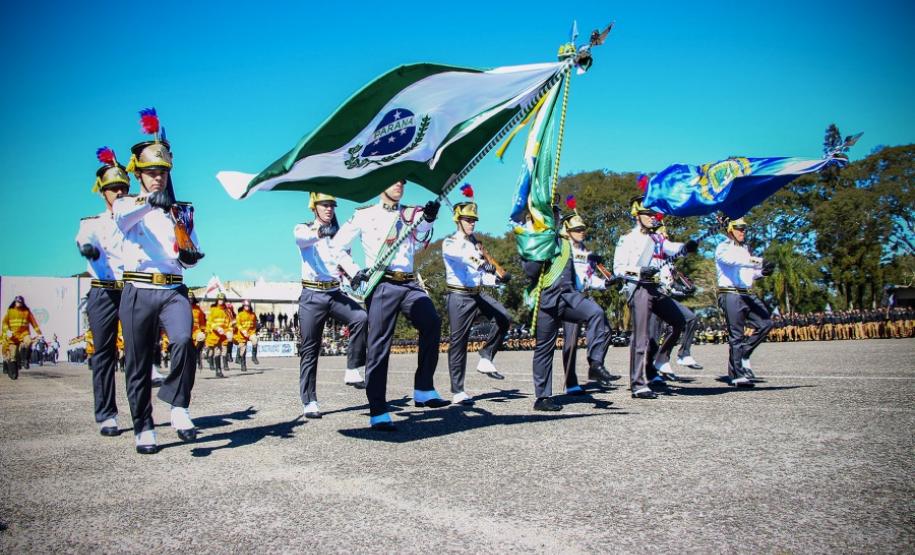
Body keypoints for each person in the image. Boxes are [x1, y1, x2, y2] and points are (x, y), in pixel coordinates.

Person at [114, 107, 204, 454]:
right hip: (138, 288)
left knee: (183, 340)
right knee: (137, 364)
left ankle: (179, 405)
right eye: (151, 173)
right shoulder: (126, 205)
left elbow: (188, 252)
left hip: (172, 289)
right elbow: (125, 220)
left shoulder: (181, 211)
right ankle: (143, 425)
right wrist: (153, 202)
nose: (158, 178)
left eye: (162, 173)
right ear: (139, 174)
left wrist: (190, 255)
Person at [333, 180, 445, 430]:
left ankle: (424, 388)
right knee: (379, 345)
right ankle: (378, 409)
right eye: (394, 181)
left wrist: (428, 219)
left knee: (432, 322)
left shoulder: (410, 214)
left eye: (403, 182)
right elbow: (337, 247)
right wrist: (353, 271)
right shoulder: (364, 215)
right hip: (382, 283)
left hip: (409, 283)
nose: (399, 185)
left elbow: (418, 242)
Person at [521, 205, 616, 412]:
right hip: (547, 298)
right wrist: (541, 251)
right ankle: (542, 397)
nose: (554, 218)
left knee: (596, 313)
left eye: (556, 214)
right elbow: (529, 271)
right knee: (544, 349)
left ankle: (595, 363)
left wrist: (599, 274)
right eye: (551, 215)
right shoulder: (534, 240)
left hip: (570, 295)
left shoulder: (566, 243)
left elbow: (580, 272)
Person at [613, 195, 699, 399]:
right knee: (641, 337)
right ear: (637, 215)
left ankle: (661, 359)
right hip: (640, 289)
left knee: (683, 319)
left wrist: (685, 248)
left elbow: (671, 248)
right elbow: (618, 269)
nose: (653, 218)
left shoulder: (657, 238)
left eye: (654, 214)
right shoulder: (627, 239)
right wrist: (640, 272)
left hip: (657, 289)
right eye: (649, 214)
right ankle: (638, 383)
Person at [293, 192, 368, 419]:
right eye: (325, 205)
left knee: (361, 318)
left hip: (334, 293)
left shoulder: (338, 235)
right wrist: (321, 232)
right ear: (314, 207)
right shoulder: (303, 228)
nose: (329, 209)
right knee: (310, 349)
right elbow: (302, 239)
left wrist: (356, 273)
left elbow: (343, 257)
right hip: (312, 295)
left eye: (332, 205)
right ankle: (309, 400)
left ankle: (353, 369)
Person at [75, 147, 131, 434]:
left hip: (132, 290)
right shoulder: (92, 222)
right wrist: (88, 249)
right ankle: (107, 414)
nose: (119, 193)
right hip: (103, 291)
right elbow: (86, 239)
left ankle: (142, 413)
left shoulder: (137, 220)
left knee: (138, 351)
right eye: (113, 189)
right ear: (103, 193)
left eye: (123, 188)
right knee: (104, 354)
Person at [441, 186, 512, 406]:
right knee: (458, 342)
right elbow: (465, 259)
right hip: (459, 297)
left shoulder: (476, 245)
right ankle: (458, 390)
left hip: (477, 293)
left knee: (504, 317)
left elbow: (482, 276)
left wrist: (497, 280)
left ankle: (486, 356)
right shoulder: (451, 243)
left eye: (474, 220)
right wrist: (483, 263)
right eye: (468, 219)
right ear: (458, 220)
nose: (472, 223)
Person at [557, 203, 619, 394]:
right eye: (577, 229)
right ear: (567, 231)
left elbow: (588, 278)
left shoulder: (584, 251)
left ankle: (596, 366)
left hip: (584, 296)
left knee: (606, 330)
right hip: (568, 297)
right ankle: (571, 383)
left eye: (582, 229)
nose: (581, 232)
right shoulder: (562, 248)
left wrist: (605, 283)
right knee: (570, 342)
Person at [715, 218, 774, 387]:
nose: (742, 232)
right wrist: (759, 261)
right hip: (730, 294)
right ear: (730, 230)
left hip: (747, 293)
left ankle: (743, 353)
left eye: (744, 229)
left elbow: (749, 273)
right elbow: (733, 261)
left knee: (766, 323)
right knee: (736, 335)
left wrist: (762, 272)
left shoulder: (745, 249)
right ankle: (737, 375)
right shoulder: (723, 247)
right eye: (739, 229)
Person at [2, 296, 43, 380]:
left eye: (20, 302)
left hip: (24, 334)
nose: (19, 304)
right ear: (15, 302)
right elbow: (4, 323)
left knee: (29, 341)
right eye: (17, 302)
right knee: (13, 356)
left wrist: (39, 334)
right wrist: (7, 331)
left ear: (22, 303)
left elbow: (34, 323)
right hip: (13, 337)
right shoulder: (10, 312)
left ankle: (26, 360)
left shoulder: (27, 312)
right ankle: (13, 373)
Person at [205, 293, 233, 378]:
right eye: (219, 299)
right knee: (215, 351)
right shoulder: (213, 309)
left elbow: (229, 323)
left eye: (222, 299)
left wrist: (229, 331)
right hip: (214, 334)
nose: (221, 301)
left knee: (220, 351)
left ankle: (219, 369)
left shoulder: (227, 311)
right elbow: (210, 322)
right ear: (217, 300)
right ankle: (217, 369)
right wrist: (217, 328)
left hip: (223, 335)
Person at [234, 299, 259, 372]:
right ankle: (243, 364)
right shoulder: (240, 314)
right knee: (242, 350)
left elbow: (254, 324)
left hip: (250, 333)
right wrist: (243, 330)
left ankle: (254, 357)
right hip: (242, 334)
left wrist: (253, 332)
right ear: (243, 306)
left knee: (255, 340)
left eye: (248, 305)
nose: (246, 306)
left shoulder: (253, 314)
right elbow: (238, 324)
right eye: (245, 305)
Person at [189, 292, 207, 369]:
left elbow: (202, 322)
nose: (190, 300)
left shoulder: (198, 309)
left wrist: (204, 330)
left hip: (196, 331)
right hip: (186, 331)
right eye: (188, 298)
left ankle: (197, 353)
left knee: (202, 337)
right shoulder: (181, 307)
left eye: (191, 298)